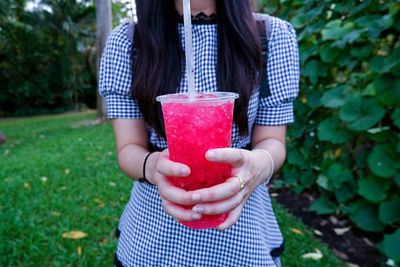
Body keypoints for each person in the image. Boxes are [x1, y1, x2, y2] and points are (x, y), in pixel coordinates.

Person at [99, 0, 299, 266]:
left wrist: (255, 167)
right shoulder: (129, 42)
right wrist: (153, 167)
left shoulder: (271, 36)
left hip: (243, 233)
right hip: (154, 237)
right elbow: (129, 149)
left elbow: (272, 142)